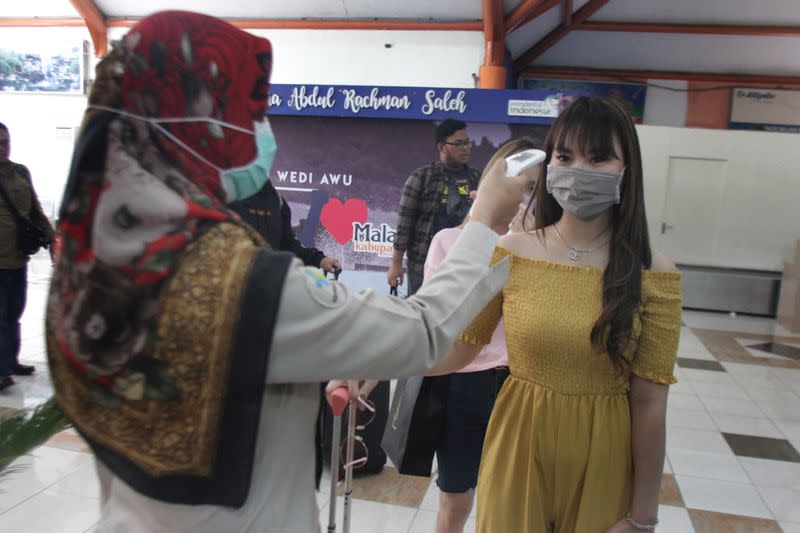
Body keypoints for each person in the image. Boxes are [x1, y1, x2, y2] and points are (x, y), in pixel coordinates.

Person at [44, 11, 529, 533]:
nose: (263, 130)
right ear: (193, 129)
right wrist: (485, 223)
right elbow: (426, 331)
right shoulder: (238, 288)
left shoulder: (101, 271)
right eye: (247, 113)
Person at [431, 96, 682, 533]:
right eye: (565, 156)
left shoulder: (653, 272)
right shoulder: (510, 251)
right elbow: (456, 348)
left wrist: (643, 518)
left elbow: (649, 403)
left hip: (603, 454)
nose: (578, 170)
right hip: (518, 445)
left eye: (599, 157)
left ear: (628, 169)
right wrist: (369, 364)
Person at [422, 137, 538, 533]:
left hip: (520, 385)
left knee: (513, 498)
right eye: (516, 185)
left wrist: (528, 247)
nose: (522, 198)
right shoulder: (449, 241)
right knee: (456, 498)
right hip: (462, 385)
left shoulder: (543, 251)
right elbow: (436, 317)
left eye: (533, 190)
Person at [388, 119, 480, 296]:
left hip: (464, 265)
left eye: (467, 143)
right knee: (421, 316)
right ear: (442, 147)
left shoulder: (477, 179)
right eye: (458, 144)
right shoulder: (422, 178)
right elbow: (404, 224)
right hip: (424, 264)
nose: (465, 148)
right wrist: (396, 264)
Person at [0, 122, 55, 390]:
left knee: (13, 313)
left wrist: (52, 238)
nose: (3, 147)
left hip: (18, 257)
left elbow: (35, 210)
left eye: (5, 141)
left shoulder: (20, 172)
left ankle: (10, 361)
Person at [230, 181, 341, 272]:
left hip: (266, 284)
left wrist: (320, 259)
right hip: (231, 282)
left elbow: (288, 244)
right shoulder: (226, 196)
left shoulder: (276, 200)